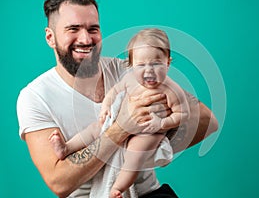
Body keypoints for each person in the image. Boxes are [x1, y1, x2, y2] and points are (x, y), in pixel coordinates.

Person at [16, 0, 219, 197]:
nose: (86, 39)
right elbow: (59, 182)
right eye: (73, 29)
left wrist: (150, 145)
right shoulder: (35, 97)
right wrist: (121, 128)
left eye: (93, 29)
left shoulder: (129, 69)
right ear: (50, 37)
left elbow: (205, 120)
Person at [48, 28, 190, 198]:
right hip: (122, 119)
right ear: (131, 65)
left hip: (149, 131)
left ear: (167, 62)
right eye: (141, 65)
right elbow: (114, 91)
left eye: (156, 64)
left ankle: (117, 188)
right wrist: (107, 107)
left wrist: (162, 123)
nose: (149, 70)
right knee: (95, 129)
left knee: (134, 155)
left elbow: (183, 114)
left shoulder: (171, 89)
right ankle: (66, 147)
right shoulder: (130, 79)